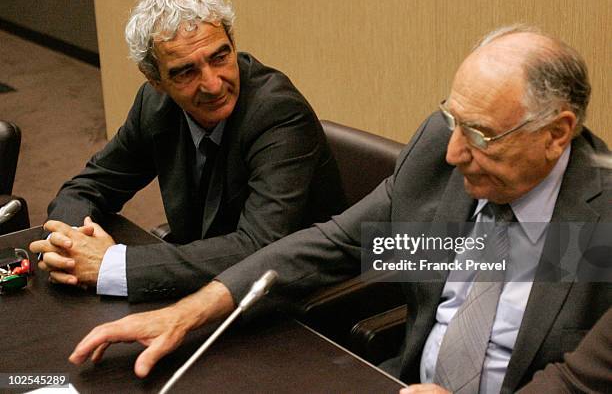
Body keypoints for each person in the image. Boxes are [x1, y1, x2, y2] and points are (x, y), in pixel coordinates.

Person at [68, 25, 611, 393]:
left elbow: (585, 380)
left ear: (556, 134)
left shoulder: (599, 222)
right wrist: (189, 311)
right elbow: (336, 245)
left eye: (480, 134)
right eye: (452, 122)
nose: (453, 153)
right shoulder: (441, 160)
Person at [29, 0, 345, 303]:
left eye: (220, 57)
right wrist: (66, 244)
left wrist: (111, 266)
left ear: (233, 44)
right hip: (205, 283)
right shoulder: (153, 105)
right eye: (186, 72)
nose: (212, 84)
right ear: (155, 80)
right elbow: (91, 185)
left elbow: (256, 247)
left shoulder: (278, 113)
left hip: (294, 300)